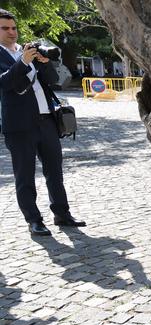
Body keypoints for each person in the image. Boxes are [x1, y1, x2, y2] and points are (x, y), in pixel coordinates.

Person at [0, 9, 85, 236]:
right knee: (25, 175)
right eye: (5, 28)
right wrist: (23, 63)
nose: (12, 32)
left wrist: (44, 63)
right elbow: (4, 84)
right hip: (19, 125)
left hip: (47, 120)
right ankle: (34, 220)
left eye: (14, 28)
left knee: (55, 171)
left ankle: (62, 214)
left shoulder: (26, 50)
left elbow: (54, 81)